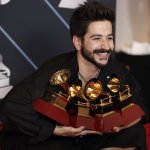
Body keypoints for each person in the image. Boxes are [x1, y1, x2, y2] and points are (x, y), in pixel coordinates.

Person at [0, 1, 148, 150]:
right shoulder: (55, 69)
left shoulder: (116, 68)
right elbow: (11, 105)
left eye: (109, 37)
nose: (106, 46)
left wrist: (121, 125)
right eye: (97, 38)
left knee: (135, 132)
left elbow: (140, 106)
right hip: (60, 138)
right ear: (78, 42)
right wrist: (55, 130)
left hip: (93, 137)